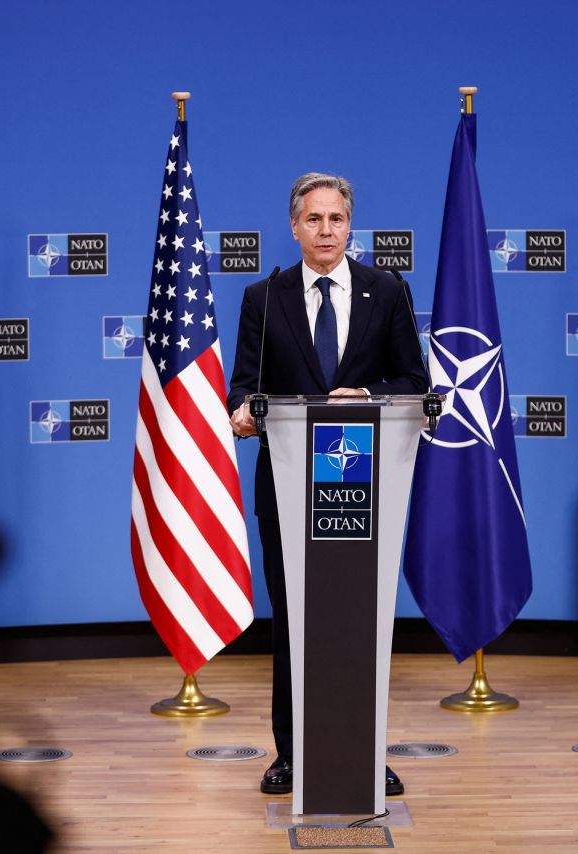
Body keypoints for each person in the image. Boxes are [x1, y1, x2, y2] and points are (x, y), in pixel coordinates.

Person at [227, 172, 428, 795]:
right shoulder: (265, 296)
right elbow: (243, 386)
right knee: (294, 622)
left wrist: (368, 394)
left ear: (350, 224)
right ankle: (290, 754)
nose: (325, 230)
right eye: (313, 219)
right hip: (287, 487)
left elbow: (413, 382)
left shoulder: (386, 290)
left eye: (336, 219)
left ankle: (367, 751)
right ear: (294, 227)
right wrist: (241, 412)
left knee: (360, 620)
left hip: (367, 486)